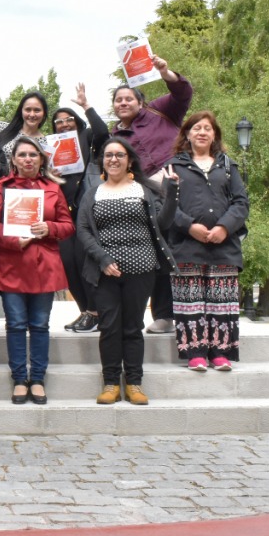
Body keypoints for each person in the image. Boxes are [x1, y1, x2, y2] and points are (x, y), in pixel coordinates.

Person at [76, 137, 177, 406]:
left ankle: (134, 382)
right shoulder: (93, 192)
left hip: (142, 270)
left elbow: (164, 222)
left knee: (132, 328)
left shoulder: (144, 190)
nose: (113, 159)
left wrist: (173, 191)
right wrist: (102, 258)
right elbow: (83, 230)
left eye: (119, 155)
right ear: (103, 162)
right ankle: (110, 383)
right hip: (104, 271)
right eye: (108, 155)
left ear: (129, 159)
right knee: (109, 327)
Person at [110, 52, 193, 336]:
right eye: (118, 100)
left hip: (180, 178)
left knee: (187, 242)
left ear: (140, 102)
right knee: (161, 247)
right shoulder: (115, 136)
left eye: (128, 99)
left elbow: (183, 93)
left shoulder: (160, 110)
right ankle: (165, 315)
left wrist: (166, 72)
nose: (123, 103)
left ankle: (196, 307)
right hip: (148, 192)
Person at [0, 136, 73, 405]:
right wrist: (14, 240)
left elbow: (67, 225)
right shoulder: (0, 187)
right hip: (12, 262)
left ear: (41, 159)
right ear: (13, 160)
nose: (28, 159)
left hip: (44, 264)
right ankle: (18, 378)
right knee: (15, 325)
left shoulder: (53, 188)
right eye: (22, 155)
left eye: (33, 155)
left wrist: (50, 228)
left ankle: (37, 378)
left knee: (39, 325)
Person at [164, 112, 249, 372]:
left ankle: (220, 354)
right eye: (196, 128)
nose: (202, 132)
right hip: (186, 246)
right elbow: (165, 205)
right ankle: (195, 354)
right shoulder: (173, 166)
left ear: (214, 135)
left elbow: (241, 202)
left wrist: (224, 227)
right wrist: (189, 226)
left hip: (223, 247)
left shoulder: (228, 166)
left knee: (221, 302)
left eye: (207, 128)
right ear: (187, 134)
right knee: (189, 302)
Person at [51, 85, 111, 332]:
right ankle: (85, 311)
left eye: (68, 120)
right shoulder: (51, 146)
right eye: (58, 122)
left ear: (76, 122)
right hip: (64, 212)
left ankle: (96, 312)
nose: (64, 125)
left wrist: (86, 107)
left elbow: (103, 132)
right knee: (68, 262)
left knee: (85, 260)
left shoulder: (87, 139)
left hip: (88, 210)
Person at [0, 91, 50, 163]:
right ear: (21, 111)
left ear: (44, 114)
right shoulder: (5, 128)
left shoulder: (46, 143)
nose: (32, 114)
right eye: (28, 110)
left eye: (37, 110)